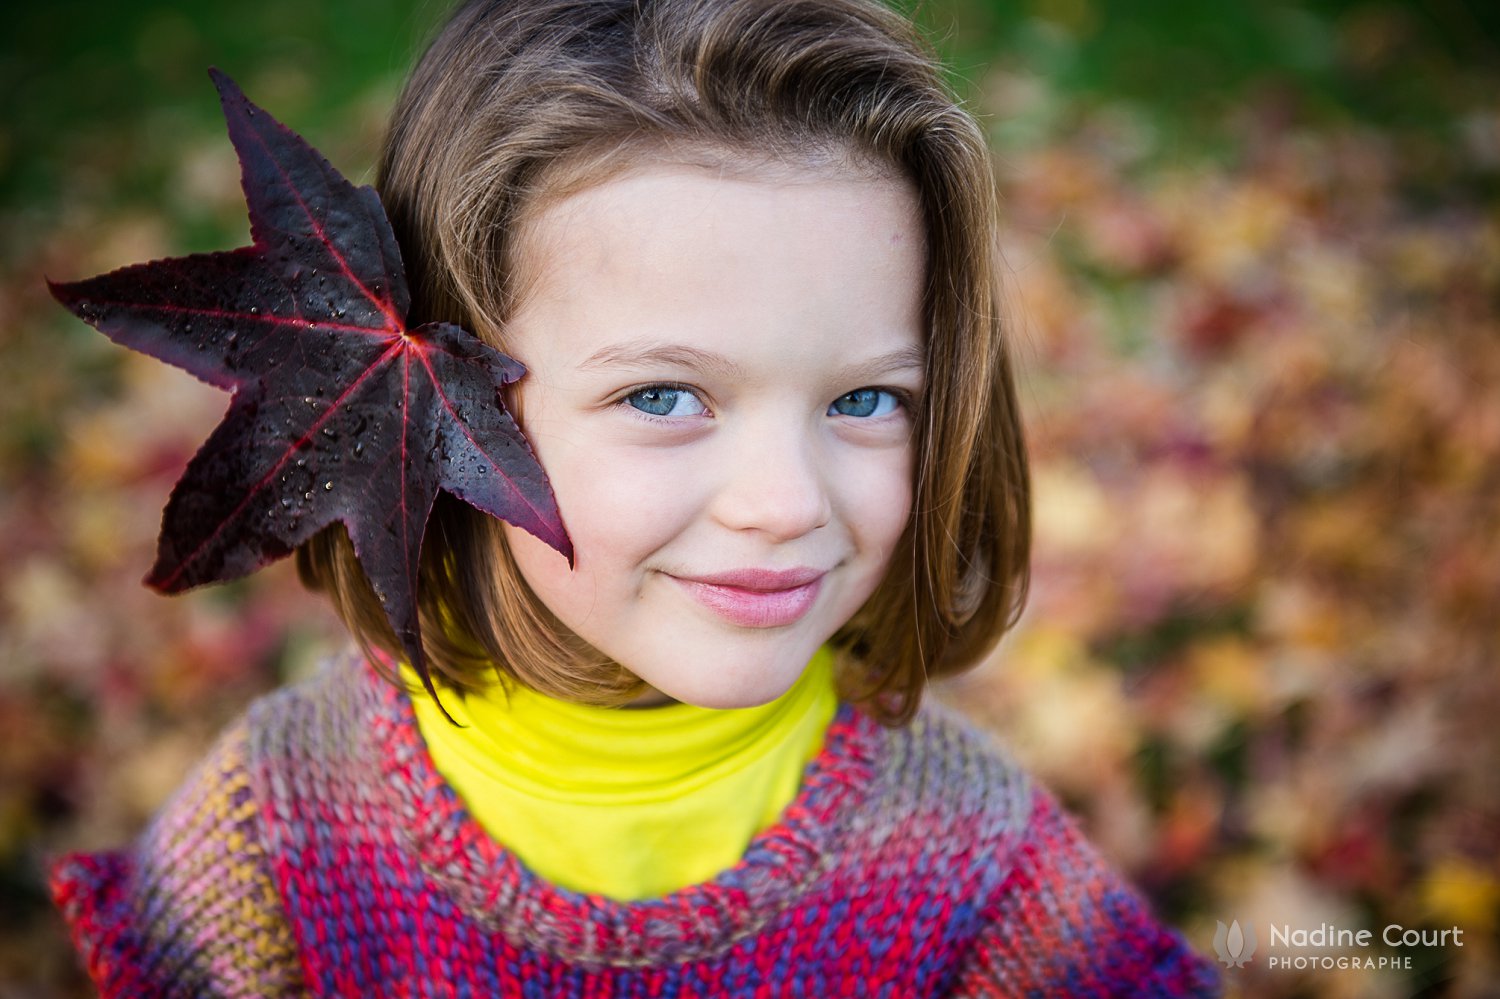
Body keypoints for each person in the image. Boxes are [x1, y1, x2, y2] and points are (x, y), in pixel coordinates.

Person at [49, 0, 1221, 994]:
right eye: (664, 396)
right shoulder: (277, 841)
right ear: (426, 406)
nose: (781, 503)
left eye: (865, 402)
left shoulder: (973, 861)